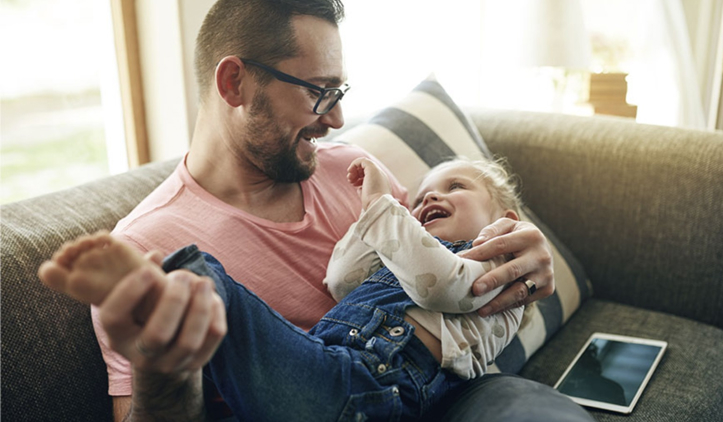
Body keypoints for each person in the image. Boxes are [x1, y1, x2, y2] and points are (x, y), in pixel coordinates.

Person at [60, 0, 592, 420]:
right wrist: (161, 370)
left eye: (340, 92)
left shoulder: (354, 169)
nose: (336, 119)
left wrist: (521, 257)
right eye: (319, 93)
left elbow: (440, 261)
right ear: (233, 83)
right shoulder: (146, 248)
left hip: (451, 394)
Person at [39, 156, 525, 420]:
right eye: (420, 198)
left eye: (456, 187)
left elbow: (440, 284)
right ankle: (160, 289)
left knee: (211, 285)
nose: (430, 197)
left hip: (374, 389)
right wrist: (370, 219)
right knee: (206, 275)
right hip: (328, 372)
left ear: (507, 221)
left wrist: (382, 204)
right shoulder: (406, 246)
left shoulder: (491, 264)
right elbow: (342, 279)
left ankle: (157, 286)